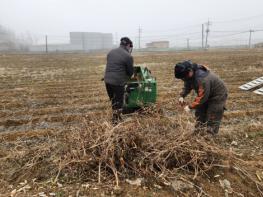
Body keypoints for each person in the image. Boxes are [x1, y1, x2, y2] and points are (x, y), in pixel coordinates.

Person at [174, 60, 228, 135]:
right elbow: (187, 85)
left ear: (189, 71)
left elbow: (202, 97)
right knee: (200, 114)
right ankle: (198, 133)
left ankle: (210, 137)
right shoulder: (189, 75)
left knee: (212, 118)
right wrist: (182, 96)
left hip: (217, 96)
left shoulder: (202, 79)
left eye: (184, 77)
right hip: (206, 94)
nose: (184, 79)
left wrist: (190, 107)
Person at [104, 37, 134, 124]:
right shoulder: (128, 56)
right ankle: (116, 121)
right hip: (117, 82)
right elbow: (130, 73)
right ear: (128, 45)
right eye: (130, 47)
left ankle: (115, 117)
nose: (130, 48)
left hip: (107, 81)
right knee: (119, 101)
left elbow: (112, 66)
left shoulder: (111, 52)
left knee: (113, 100)